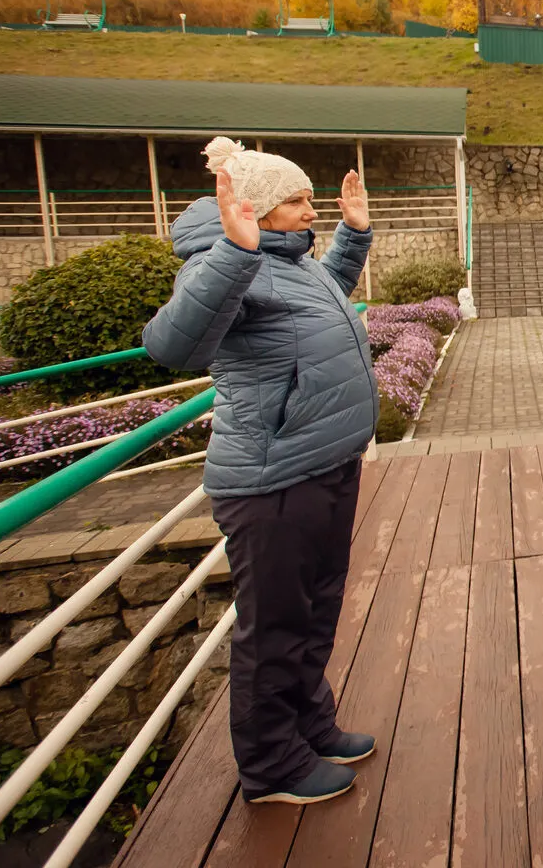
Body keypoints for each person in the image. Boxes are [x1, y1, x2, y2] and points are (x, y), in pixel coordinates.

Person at [143, 137, 380, 806]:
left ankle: (309, 726)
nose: (313, 210)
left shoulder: (292, 262)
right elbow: (171, 347)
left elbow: (326, 298)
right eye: (299, 201)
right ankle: (272, 766)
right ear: (260, 209)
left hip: (325, 463)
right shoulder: (221, 263)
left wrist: (354, 238)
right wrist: (234, 250)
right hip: (274, 478)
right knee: (275, 623)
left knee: (314, 610)